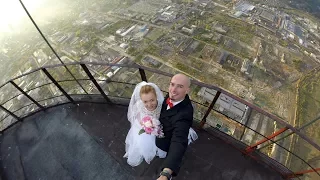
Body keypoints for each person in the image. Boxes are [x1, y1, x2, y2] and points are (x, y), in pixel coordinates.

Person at [156, 74, 197, 180]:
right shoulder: (172, 96)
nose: (173, 90)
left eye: (180, 86)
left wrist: (166, 174)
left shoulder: (185, 114)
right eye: (172, 84)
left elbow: (178, 141)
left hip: (167, 141)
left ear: (187, 90)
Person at [124, 82, 166, 167]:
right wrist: (144, 124)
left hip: (159, 127)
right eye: (145, 101)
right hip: (145, 127)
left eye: (152, 100)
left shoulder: (161, 105)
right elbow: (137, 115)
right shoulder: (139, 105)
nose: (149, 104)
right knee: (145, 142)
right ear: (141, 100)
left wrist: (156, 127)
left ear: (156, 96)